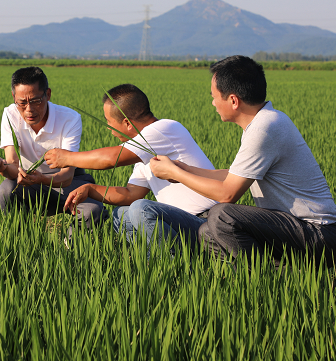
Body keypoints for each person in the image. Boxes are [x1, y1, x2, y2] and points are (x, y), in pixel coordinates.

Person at [149, 55, 336, 268]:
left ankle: (266, 278)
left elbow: (228, 194)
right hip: (296, 231)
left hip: (319, 233)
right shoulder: (264, 121)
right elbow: (233, 176)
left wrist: (175, 174)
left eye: (214, 97)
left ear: (233, 100)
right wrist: (185, 169)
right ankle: (279, 273)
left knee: (221, 216)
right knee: (207, 233)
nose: (213, 103)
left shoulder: (264, 129)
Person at [45, 84, 217, 250]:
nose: (109, 129)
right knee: (121, 215)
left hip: (206, 223)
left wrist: (67, 157)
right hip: (180, 221)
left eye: (109, 122)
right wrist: (91, 189)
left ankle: (170, 262)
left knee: (140, 209)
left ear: (127, 123)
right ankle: (152, 260)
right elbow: (131, 194)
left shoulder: (163, 129)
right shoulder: (143, 150)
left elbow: (112, 158)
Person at [0, 66, 108, 231]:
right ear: (14, 97)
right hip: (29, 182)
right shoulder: (10, 114)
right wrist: (2, 167)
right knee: (6, 191)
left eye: (35, 101)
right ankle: (21, 243)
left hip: (65, 183)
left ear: (47, 94)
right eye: (22, 103)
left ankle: (70, 249)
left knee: (93, 211)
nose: (29, 109)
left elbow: (68, 175)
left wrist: (41, 179)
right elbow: (13, 165)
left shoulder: (69, 119)